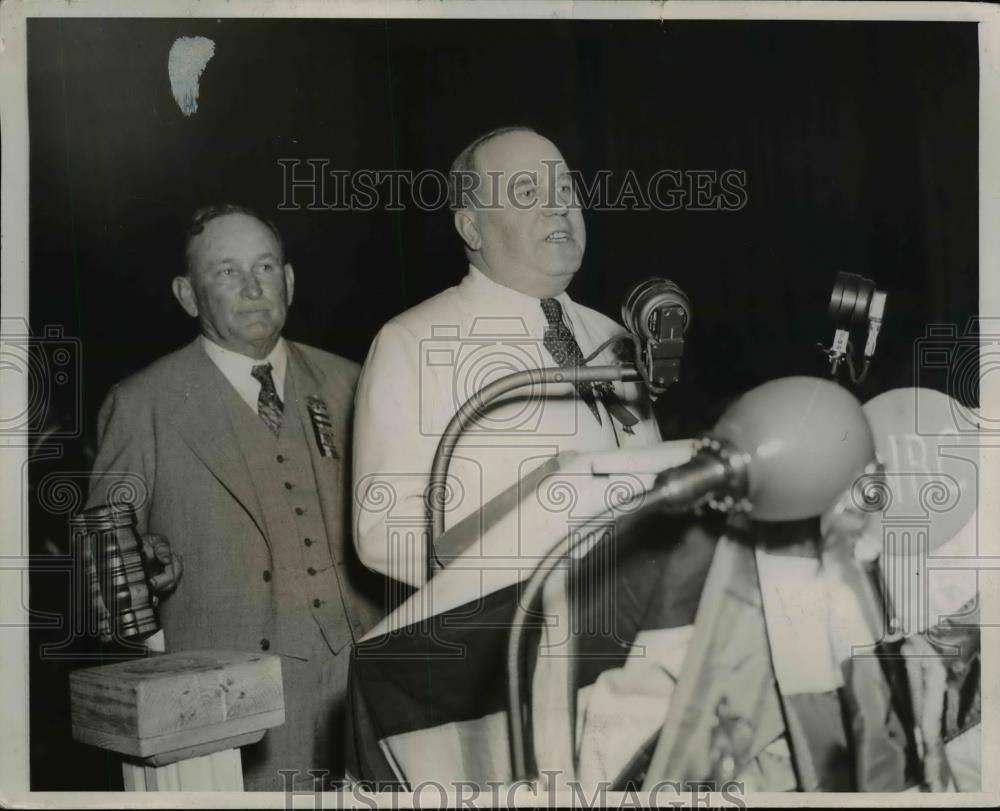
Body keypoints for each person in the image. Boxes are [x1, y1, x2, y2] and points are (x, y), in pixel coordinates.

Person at [86, 204, 383, 790]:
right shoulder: (141, 405)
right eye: (226, 272)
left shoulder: (355, 382)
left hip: (366, 696)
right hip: (230, 719)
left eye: (265, 267)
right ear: (187, 295)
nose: (251, 288)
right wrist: (140, 574)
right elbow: (100, 598)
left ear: (290, 281)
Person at [353, 127, 661, 587]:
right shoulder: (412, 341)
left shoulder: (616, 336)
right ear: (471, 227)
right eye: (526, 191)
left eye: (564, 188)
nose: (558, 205)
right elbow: (382, 532)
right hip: (509, 632)